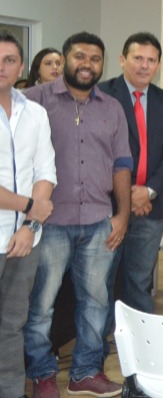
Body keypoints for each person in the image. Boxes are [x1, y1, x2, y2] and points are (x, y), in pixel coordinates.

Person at [24, 31, 132, 398]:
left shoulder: (112, 108)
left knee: (96, 303)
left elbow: (121, 165)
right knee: (41, 305)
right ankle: (42, 375)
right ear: (65, 59)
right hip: (49, 223)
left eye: (95, 58)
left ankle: (85, 372)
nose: (87, 64)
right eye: (80, 56)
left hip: (99, 221)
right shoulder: (34, 100)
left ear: (103, 64)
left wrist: (122, 215)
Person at [99, 32, 163, 318]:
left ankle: (138, 339)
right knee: (102, 281)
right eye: (138, 58)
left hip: (150, 206)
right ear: (122, 60)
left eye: (152, 60)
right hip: (109, 206)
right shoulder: (102, 95)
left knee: (139, 281)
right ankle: (100, 340)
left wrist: (149, 190)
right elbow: (97, 151)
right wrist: (128, 193)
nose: (145, 65)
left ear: (158, 64)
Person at [0, 31, 56, 398]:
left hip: (24, 240)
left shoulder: (35, 112)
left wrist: (30, 225)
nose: (1, 66)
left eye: (9, 60)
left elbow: (45, 171)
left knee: (12, 325)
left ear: (21, 66)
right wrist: (30, 207)